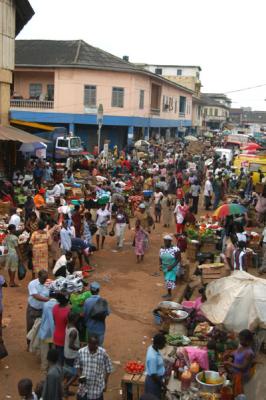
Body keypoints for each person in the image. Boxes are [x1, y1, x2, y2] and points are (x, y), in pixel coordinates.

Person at [74, 335, 112, 400]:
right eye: (93, 344)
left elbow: (109, 368)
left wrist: (105, 383)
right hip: (83, 390)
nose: (95, 346)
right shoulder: (81, 352)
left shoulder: (103, 353)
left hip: (97, 390)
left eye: (96, 344)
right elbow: (77, 365)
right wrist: (80, 376)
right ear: (88, 343)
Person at [223, 329, 255, 397]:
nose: (240, 341)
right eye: (240, 339)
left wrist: (229, 363)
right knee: (232, 390)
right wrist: (228, 354)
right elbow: (235, 353)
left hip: (242, 376)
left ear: (248, 341)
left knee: (238, 393)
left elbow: (242, 367)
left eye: (242, 340)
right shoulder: (241, 347)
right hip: (235, 373)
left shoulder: (249, 353)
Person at [26, 270, 49, 347]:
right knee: (30, 327)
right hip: (33, 309)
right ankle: (29, 344)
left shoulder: (48, 283)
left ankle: (37, 346)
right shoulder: (32, 284)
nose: (45, 280)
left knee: (41, 327)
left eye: (46, 278)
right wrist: (49, 300)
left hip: (43, 310)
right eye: (43, 279)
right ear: (38, 277)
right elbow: (36, 296)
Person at [83, 282, 110, 346]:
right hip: (100, 328)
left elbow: (85, 314)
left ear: (90, 290)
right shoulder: (103, 301)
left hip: (90, 327)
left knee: (91, 346)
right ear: (98, 290)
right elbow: (107, 313)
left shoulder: (87, 301)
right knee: (100, 346)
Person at [38, 290, 58, 373]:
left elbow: (44, 317)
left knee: (44, 350)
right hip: (55, 330)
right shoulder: (58, 305)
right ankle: (53, 367)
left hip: (45, 330)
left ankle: (44, 367)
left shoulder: (45, 304)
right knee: (54, 349)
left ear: (49, 296)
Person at [144, 333, 166, 399]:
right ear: (158, 344)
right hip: (153, 382)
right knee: (153, 397)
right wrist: (163, 385)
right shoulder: (152, 357)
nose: (164, 345)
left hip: (156, 380)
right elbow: (154, 375)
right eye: (163, 344)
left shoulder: (152, 347)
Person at [159, 235, 181, 299]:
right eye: (164, 241)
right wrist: (160, 265)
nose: (165, 242)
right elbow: (160, 257)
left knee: (168, 280)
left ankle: (169, 294)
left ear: (170, 241)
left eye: (167, 241)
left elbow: (178, 259)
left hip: (172, 267)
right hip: (165, 267)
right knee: (167, 279)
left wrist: (172, 266)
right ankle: (169, 292)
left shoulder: (175, 249)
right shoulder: (162, 248)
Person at [64, 312, 80, 395]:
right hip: (72, 355)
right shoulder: (74, 331)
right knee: (76, 374)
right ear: (74, 319)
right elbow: (71, 345)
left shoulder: (67, 326)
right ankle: (65, 387)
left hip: (67, 353)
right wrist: (80, 348)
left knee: (69, 373)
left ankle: (66, 390)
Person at [53, 293, 71, 365]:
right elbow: (69, 324)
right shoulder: (67, 311)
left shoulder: (55, 307)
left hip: (56, 335)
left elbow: (55, 321)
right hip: (64, 338)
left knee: (59, 356)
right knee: (63, 358)